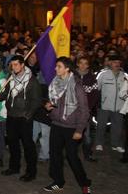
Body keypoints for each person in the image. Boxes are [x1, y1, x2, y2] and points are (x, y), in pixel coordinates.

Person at [42, 57, 92, 193]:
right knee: (55, 154)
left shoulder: (76, 86)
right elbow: (54, 102)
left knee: (72, 156)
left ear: (67, 69)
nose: (55, 69)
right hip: (57, 124)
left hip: (71, 127)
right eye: (56, 66)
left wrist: (79, 130)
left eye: (59, 66)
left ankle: (84, 183)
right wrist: (49, 106)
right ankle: (58, 181)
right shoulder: (55, 82)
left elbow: (84, 110)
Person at [0, 55, 42, 182]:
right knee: (13, 144)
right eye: (12, 65)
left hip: (24, 118)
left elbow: (37, 100)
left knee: (28, 145)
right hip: (12, 116)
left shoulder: (32, 81)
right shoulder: (11, 78)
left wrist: (28, 115)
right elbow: (6, 93)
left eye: (16, 64)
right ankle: (14, 167)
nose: (14, 67)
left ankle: (31, 172)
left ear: (22, 65)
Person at [94, 54, 127, 154]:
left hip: (119, 106)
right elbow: (96, 88)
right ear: (109, 63)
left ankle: (115, 144)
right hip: (104, 105)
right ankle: (99, 143)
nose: (116, 64)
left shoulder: (125, 75)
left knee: (118, 126)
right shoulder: (103, 74)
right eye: (114, 62)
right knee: (101, 125)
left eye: (118, 62)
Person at [75, 57, 100, 162]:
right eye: (81, 63)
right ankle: (71, 154)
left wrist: (88, 108)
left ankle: (87, 154)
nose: (83, 65)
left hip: (85, 111)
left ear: (88, 65)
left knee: (87, 134)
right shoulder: (72, 76)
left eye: (85, 63)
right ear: (77, 64)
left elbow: (95, 95)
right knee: (70, 133)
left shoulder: (92, 78)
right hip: (72, 111)